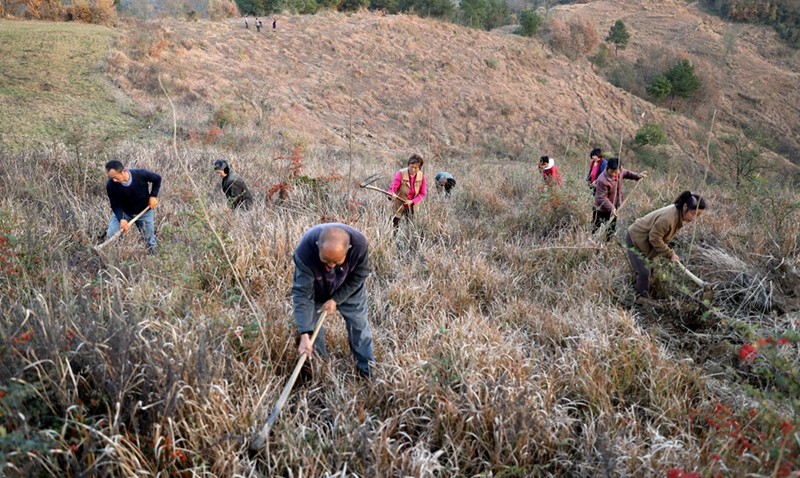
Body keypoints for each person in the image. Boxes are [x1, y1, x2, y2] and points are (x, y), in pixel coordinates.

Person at [292, 223, 375, 379]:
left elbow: (360, 275)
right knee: (312, 335)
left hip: (349, 288)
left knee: (359, 327)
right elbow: (302, 295)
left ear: (348, 249)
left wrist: (336, 299)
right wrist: (304, 334)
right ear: (318, 247)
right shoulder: (305, 253)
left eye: (336, 261)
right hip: (316, 289)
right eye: (325, 260)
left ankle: (367, 374)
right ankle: (319, 375)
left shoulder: (359, 244)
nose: (330, 265)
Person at [626, 191, 707, 300]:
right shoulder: (668, 218)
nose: (693, 219)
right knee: (644, 273)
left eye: (697, 215)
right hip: (635, 239)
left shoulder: (677, 213)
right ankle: (642, 301)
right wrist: (669, 254)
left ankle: (643, 291)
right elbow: (654, 238)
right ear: (685, 206)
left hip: (644, 242)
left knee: (650, 270)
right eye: (693, 214)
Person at [105, 160, 161, 255]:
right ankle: (111, 257)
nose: (113, 180)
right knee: (111, 235)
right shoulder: (111, 185)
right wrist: (121, 219)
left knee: (149, 239)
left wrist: (153, 196)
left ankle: (154, 258)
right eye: (111, 178)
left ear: (123, 171)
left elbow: (157, 179)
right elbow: (115, 204)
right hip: (125, 212)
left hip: (144, 211)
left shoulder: (140, 174)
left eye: (115, 177)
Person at [593, 157, 647, 241]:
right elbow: (601, 198)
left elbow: (627, 173)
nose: (614, 174)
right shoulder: (602, 180)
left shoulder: (620, 170)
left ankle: (606, 244)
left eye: (616, 172)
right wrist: (612, 208)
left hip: (614, 207)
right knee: (596, 228)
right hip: (601, 209)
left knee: (610, 229)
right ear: (607, 168)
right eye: (611, 172)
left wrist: (637, 176)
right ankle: (592, 243)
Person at [387, 154, 427, 228]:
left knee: (410, 226)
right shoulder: (401, 173)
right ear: (408, 165)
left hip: (412, 205)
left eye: (416, 168)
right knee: (395, 226)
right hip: (399, 204)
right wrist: (391, 194)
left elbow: (422, 194)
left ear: (419, 168)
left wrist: (412, 201)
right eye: (411, 167)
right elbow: (392, 188)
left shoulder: (422, 177)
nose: (413, 169)